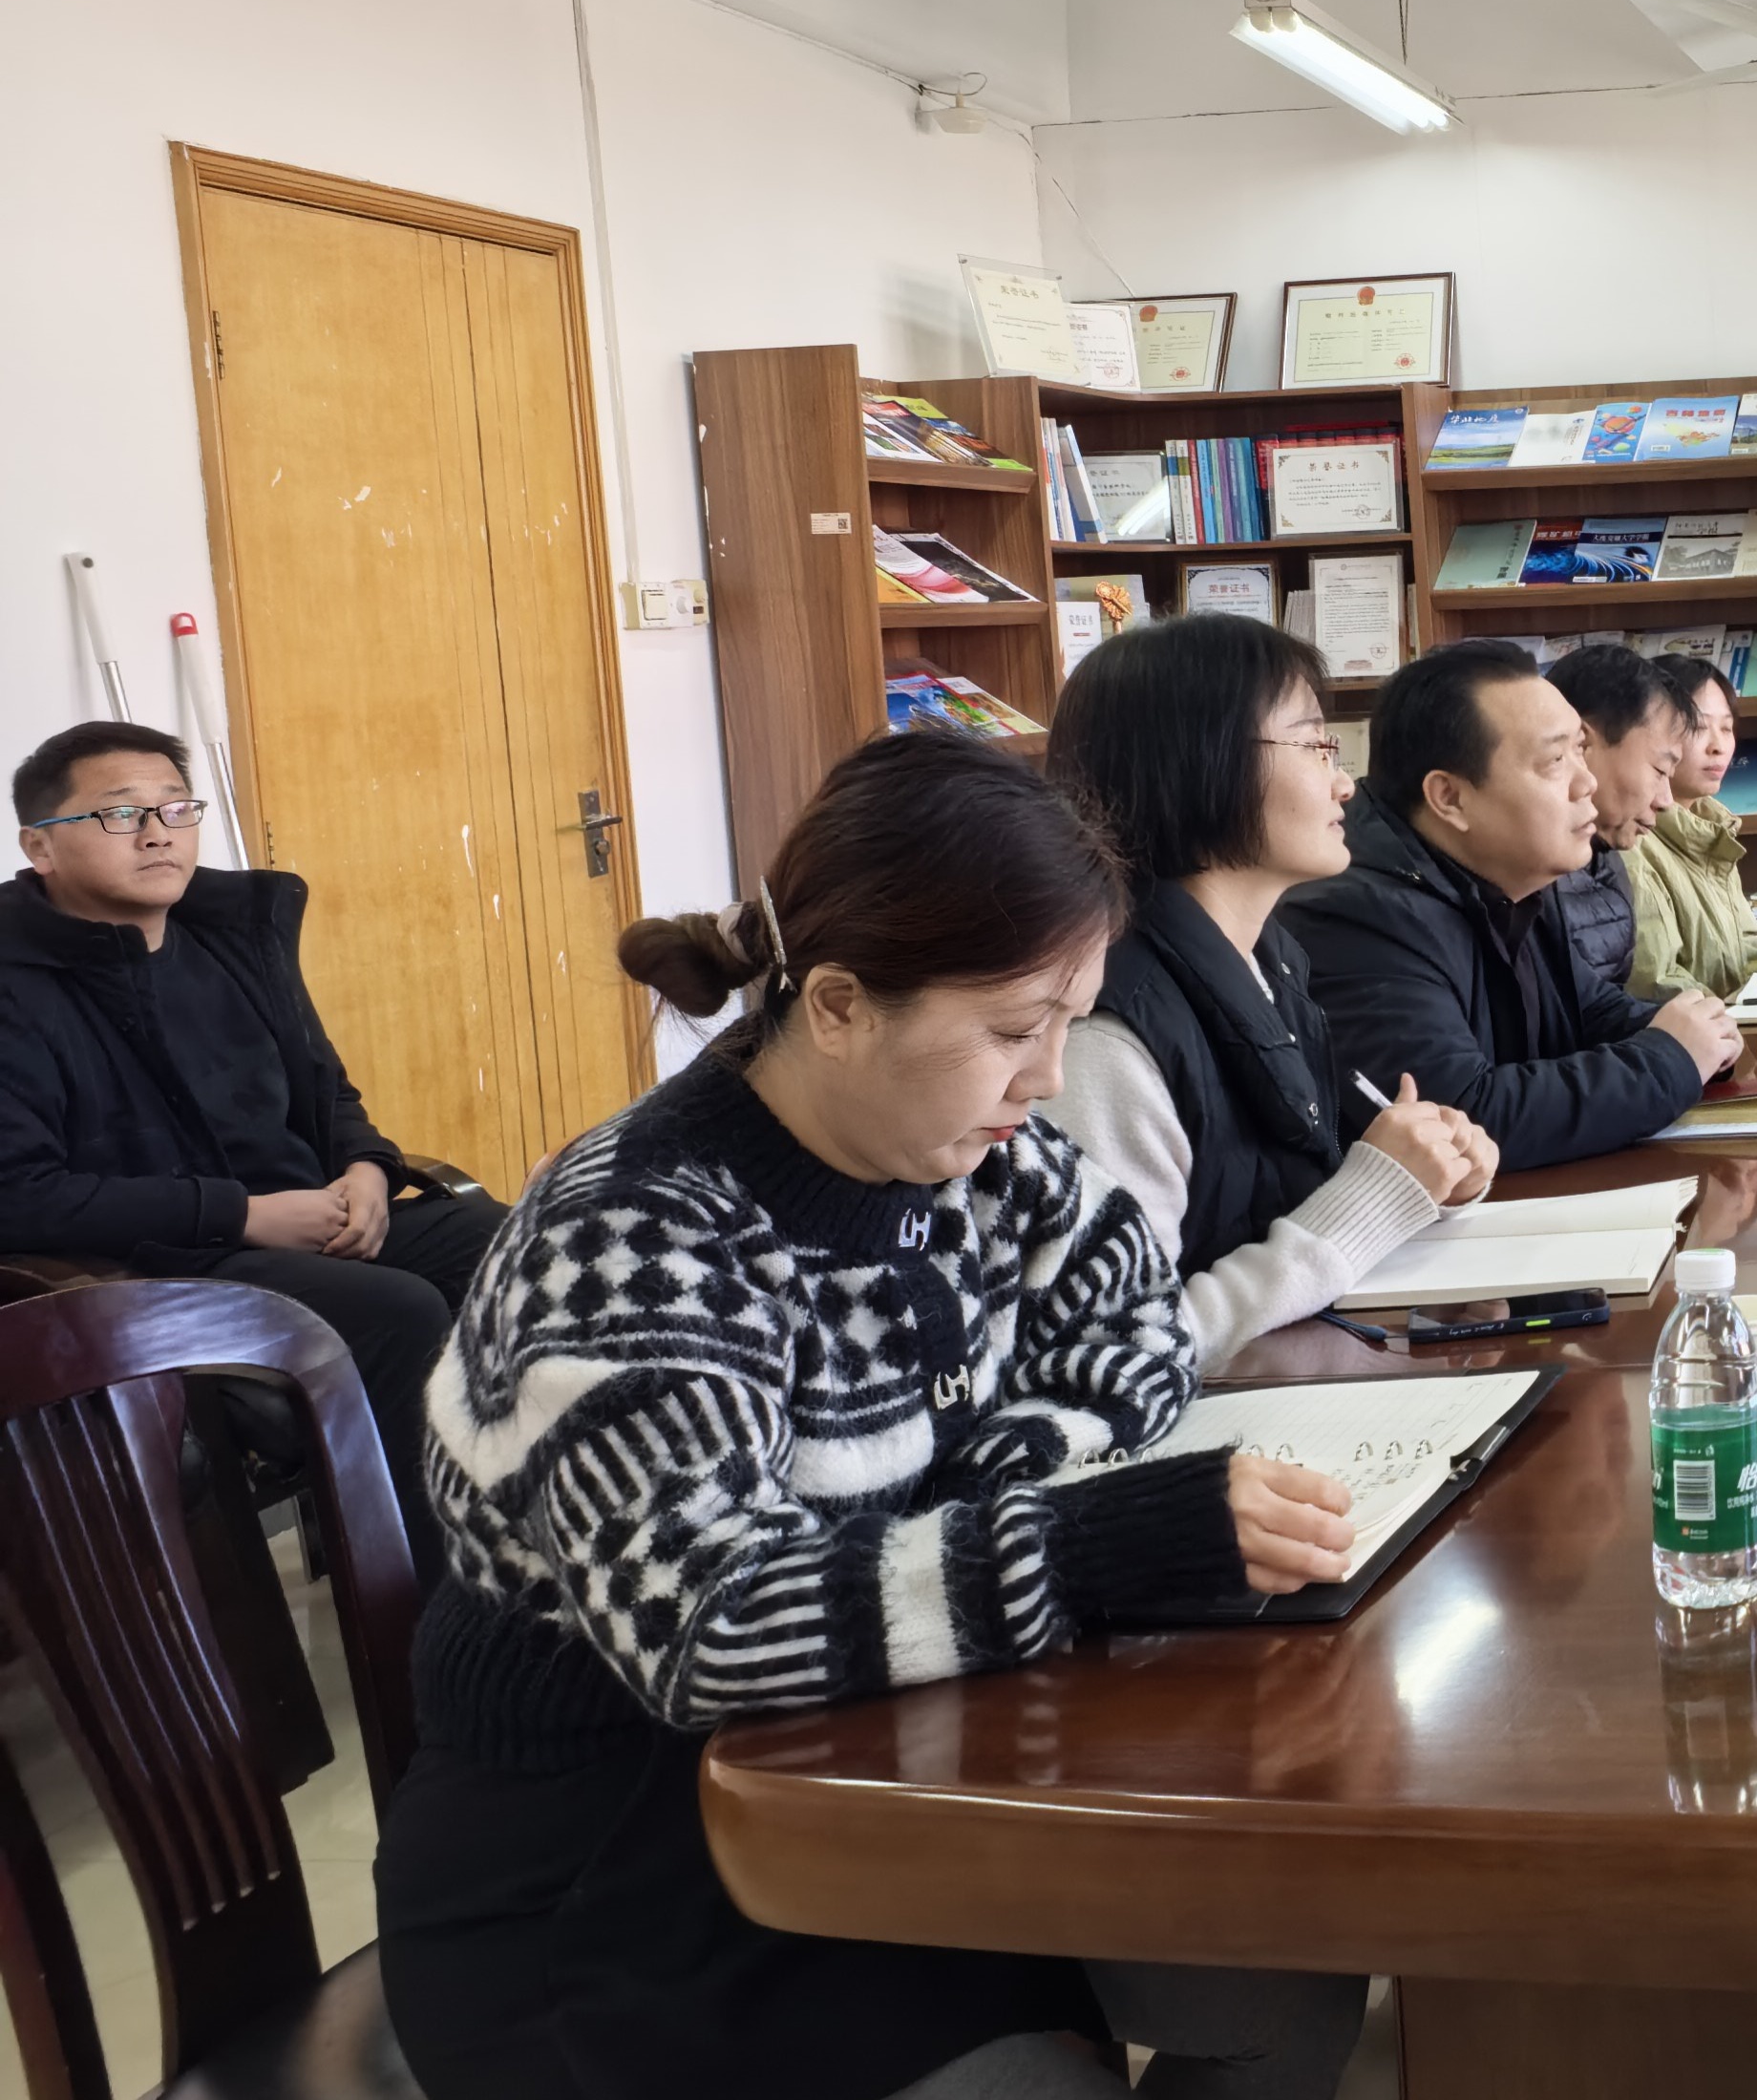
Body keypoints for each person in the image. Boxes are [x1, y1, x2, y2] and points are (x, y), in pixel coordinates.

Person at [375, 728, 1368, 2100]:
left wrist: (989, 1486)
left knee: (1294, 1963)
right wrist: (1086, 1541)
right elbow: (714, 1624)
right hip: (623, 1883)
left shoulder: (974, 1148)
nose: (1047, 1075)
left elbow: (1136, 1325)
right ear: (839, 1004)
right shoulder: (631, 1238)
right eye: (1014, 1029)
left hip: (904, 1776)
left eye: (1070, 1020)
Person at [0, 719, 503, 1540]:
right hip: (155, 1266)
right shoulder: (15, 984)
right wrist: (242, 1215)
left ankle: (547, 1522)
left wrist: (368, 1170)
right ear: (41, 846)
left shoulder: (235, 939)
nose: (159, 832)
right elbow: (19, 1196)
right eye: (121, 813)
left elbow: (328, 1091)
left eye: (177, 807)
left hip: (308, 1226)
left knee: (512, 1241)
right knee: (398, 1309)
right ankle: (430, 1591)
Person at [1041, 614, 1497, 1369]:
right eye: (1316, 745)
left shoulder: (1268, 959)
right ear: (1200, 761)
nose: (1344, 782)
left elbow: (1276, 1208)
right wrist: (1370, 1199)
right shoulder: (1105, 1033)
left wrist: (1427, 1181)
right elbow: (1112, 1353)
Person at [1283, 642, 1740, 1171]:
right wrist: (1670, 1061)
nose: (1587, 783)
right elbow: (1465, 1117)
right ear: (1450, 798)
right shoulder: (1357, 915)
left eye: (1580, 751)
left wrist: (1695, 1031)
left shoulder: (1509, 879)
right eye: (1555, 761)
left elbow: (1588, 1011)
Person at [1542, 642, 1689, 1001]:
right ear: (1582, 744)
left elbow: (1601, 1011)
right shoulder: (1524, 868)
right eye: (1660, 770)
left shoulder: (1607, 858)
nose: (1666, 801)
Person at [1627, 653, 1757, 1003]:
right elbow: (1656, 982)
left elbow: (1747, 955)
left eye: (1726, 728)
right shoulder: (1632, 843)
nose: (1718, 746)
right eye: (1698, 726)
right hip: (1697, 1032)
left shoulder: (1712, 832)